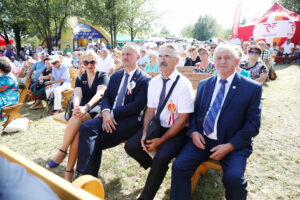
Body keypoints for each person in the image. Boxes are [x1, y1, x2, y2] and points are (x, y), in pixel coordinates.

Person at [171, 44, 262, 200]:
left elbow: (252, 125)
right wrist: (193, 132)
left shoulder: (251, 88)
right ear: (214, 61)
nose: (222, 62)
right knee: (179, 166)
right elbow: (194, 114)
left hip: (233, 144)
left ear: (237, 61)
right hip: (202, 140)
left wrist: (230, 146)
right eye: (219, 58)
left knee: (233, 179)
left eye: (227, 58)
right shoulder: (205, 85)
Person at [125, 43, 194, 200]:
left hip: (178, 130)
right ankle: (154, 168)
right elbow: (150, 110)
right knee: (131, 146)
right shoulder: (154, 82)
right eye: (160, 56)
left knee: (161, 157)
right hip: (158, 126)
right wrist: (144, 134)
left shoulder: (184, 85)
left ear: (176, 61)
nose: (162, 60)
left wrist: (161, 140)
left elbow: (183, 119)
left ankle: (145, 197)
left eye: (167, 56)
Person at [75, 43, 151, 177]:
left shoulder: (144, 80)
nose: (125, 57)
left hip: (129, 120)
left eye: (129, 54)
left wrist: (111, 113)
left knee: (96, 140)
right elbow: (106, 97)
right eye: (123, 54)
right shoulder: (116, 75)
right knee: (86, 127)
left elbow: (137, 106)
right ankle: (84, 173)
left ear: (138, 57)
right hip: (109, 115)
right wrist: (105, 112)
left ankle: (86, 175)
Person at [47, 50, 109, 182]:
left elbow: (100, 94)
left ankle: (63, 153)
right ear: (82, 63)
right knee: (78, 132)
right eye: (86, 62)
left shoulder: (103, 75)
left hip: (96, 108)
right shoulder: (81, 78)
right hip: (81, 109)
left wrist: (86, 107)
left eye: (92, 62)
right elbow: (77, 95)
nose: (89, 65)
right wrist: (77, 107)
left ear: (97, 63)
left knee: (78, 118)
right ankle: (68, 170)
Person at [0, 57, 19, 121]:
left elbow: (1, 89)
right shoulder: (4, 75)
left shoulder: (9, 78)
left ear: (1, 70)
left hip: (10, 97)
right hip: (4, 95)